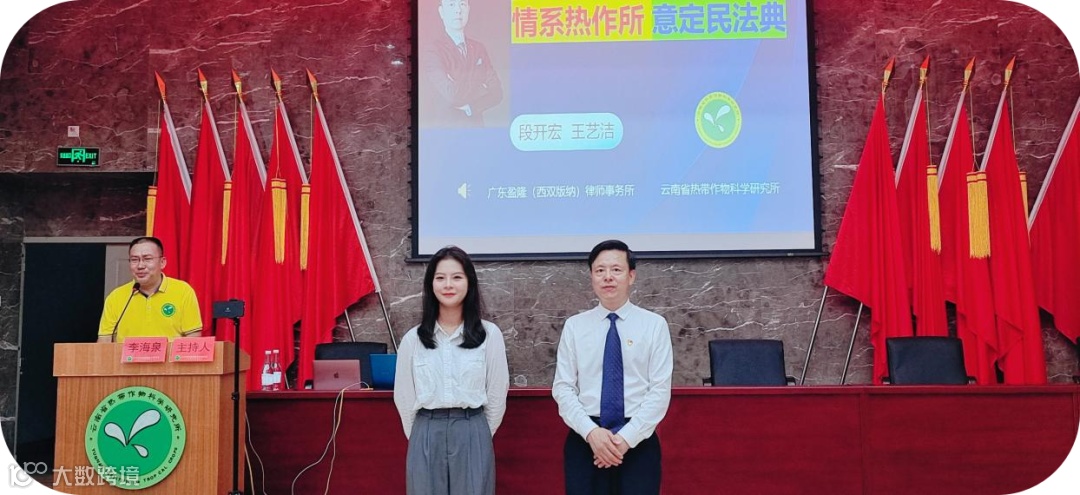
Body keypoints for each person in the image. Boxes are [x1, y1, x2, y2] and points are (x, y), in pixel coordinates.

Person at [552, 240, 673, 495]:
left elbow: (659, 391)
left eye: (616, 270)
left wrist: (624, 440)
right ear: (591, 277)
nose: (608, 277)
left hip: (638, 440)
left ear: (631, 276)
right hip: (586, 438)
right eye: (600, 270)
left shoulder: (654, 325)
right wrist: (592, 434)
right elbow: (563, 388)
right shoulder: (575, 326)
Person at [393, 246, 510, 495]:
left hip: (472, 429)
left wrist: (476, 435)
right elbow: (404, 398)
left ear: (469, 283)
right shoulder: (413, 339)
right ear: (431, 284)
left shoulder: (489, 335)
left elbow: (497, 394)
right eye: (440, 277)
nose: (448, 285)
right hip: (425, 431)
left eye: (457, 277)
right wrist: (422, 436)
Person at [97, 236, 202, 343]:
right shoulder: (115, 297)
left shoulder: (183, 291)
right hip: (126, 354)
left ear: (162, 262)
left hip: (169, 354)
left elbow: (193, 338)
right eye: (134, 260)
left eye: (147, 259)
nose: (140, 266)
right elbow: (104, 341)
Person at [420, 0, 503, 127]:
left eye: (462, 4)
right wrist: (478, 83)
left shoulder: (478, 48)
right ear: (441, 12)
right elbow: (453, 95)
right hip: (446, 131)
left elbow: (497, 93)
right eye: (451, 5)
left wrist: (472, 107)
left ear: (468, 9)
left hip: (477, 130)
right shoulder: (432, 50)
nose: (458, 10)